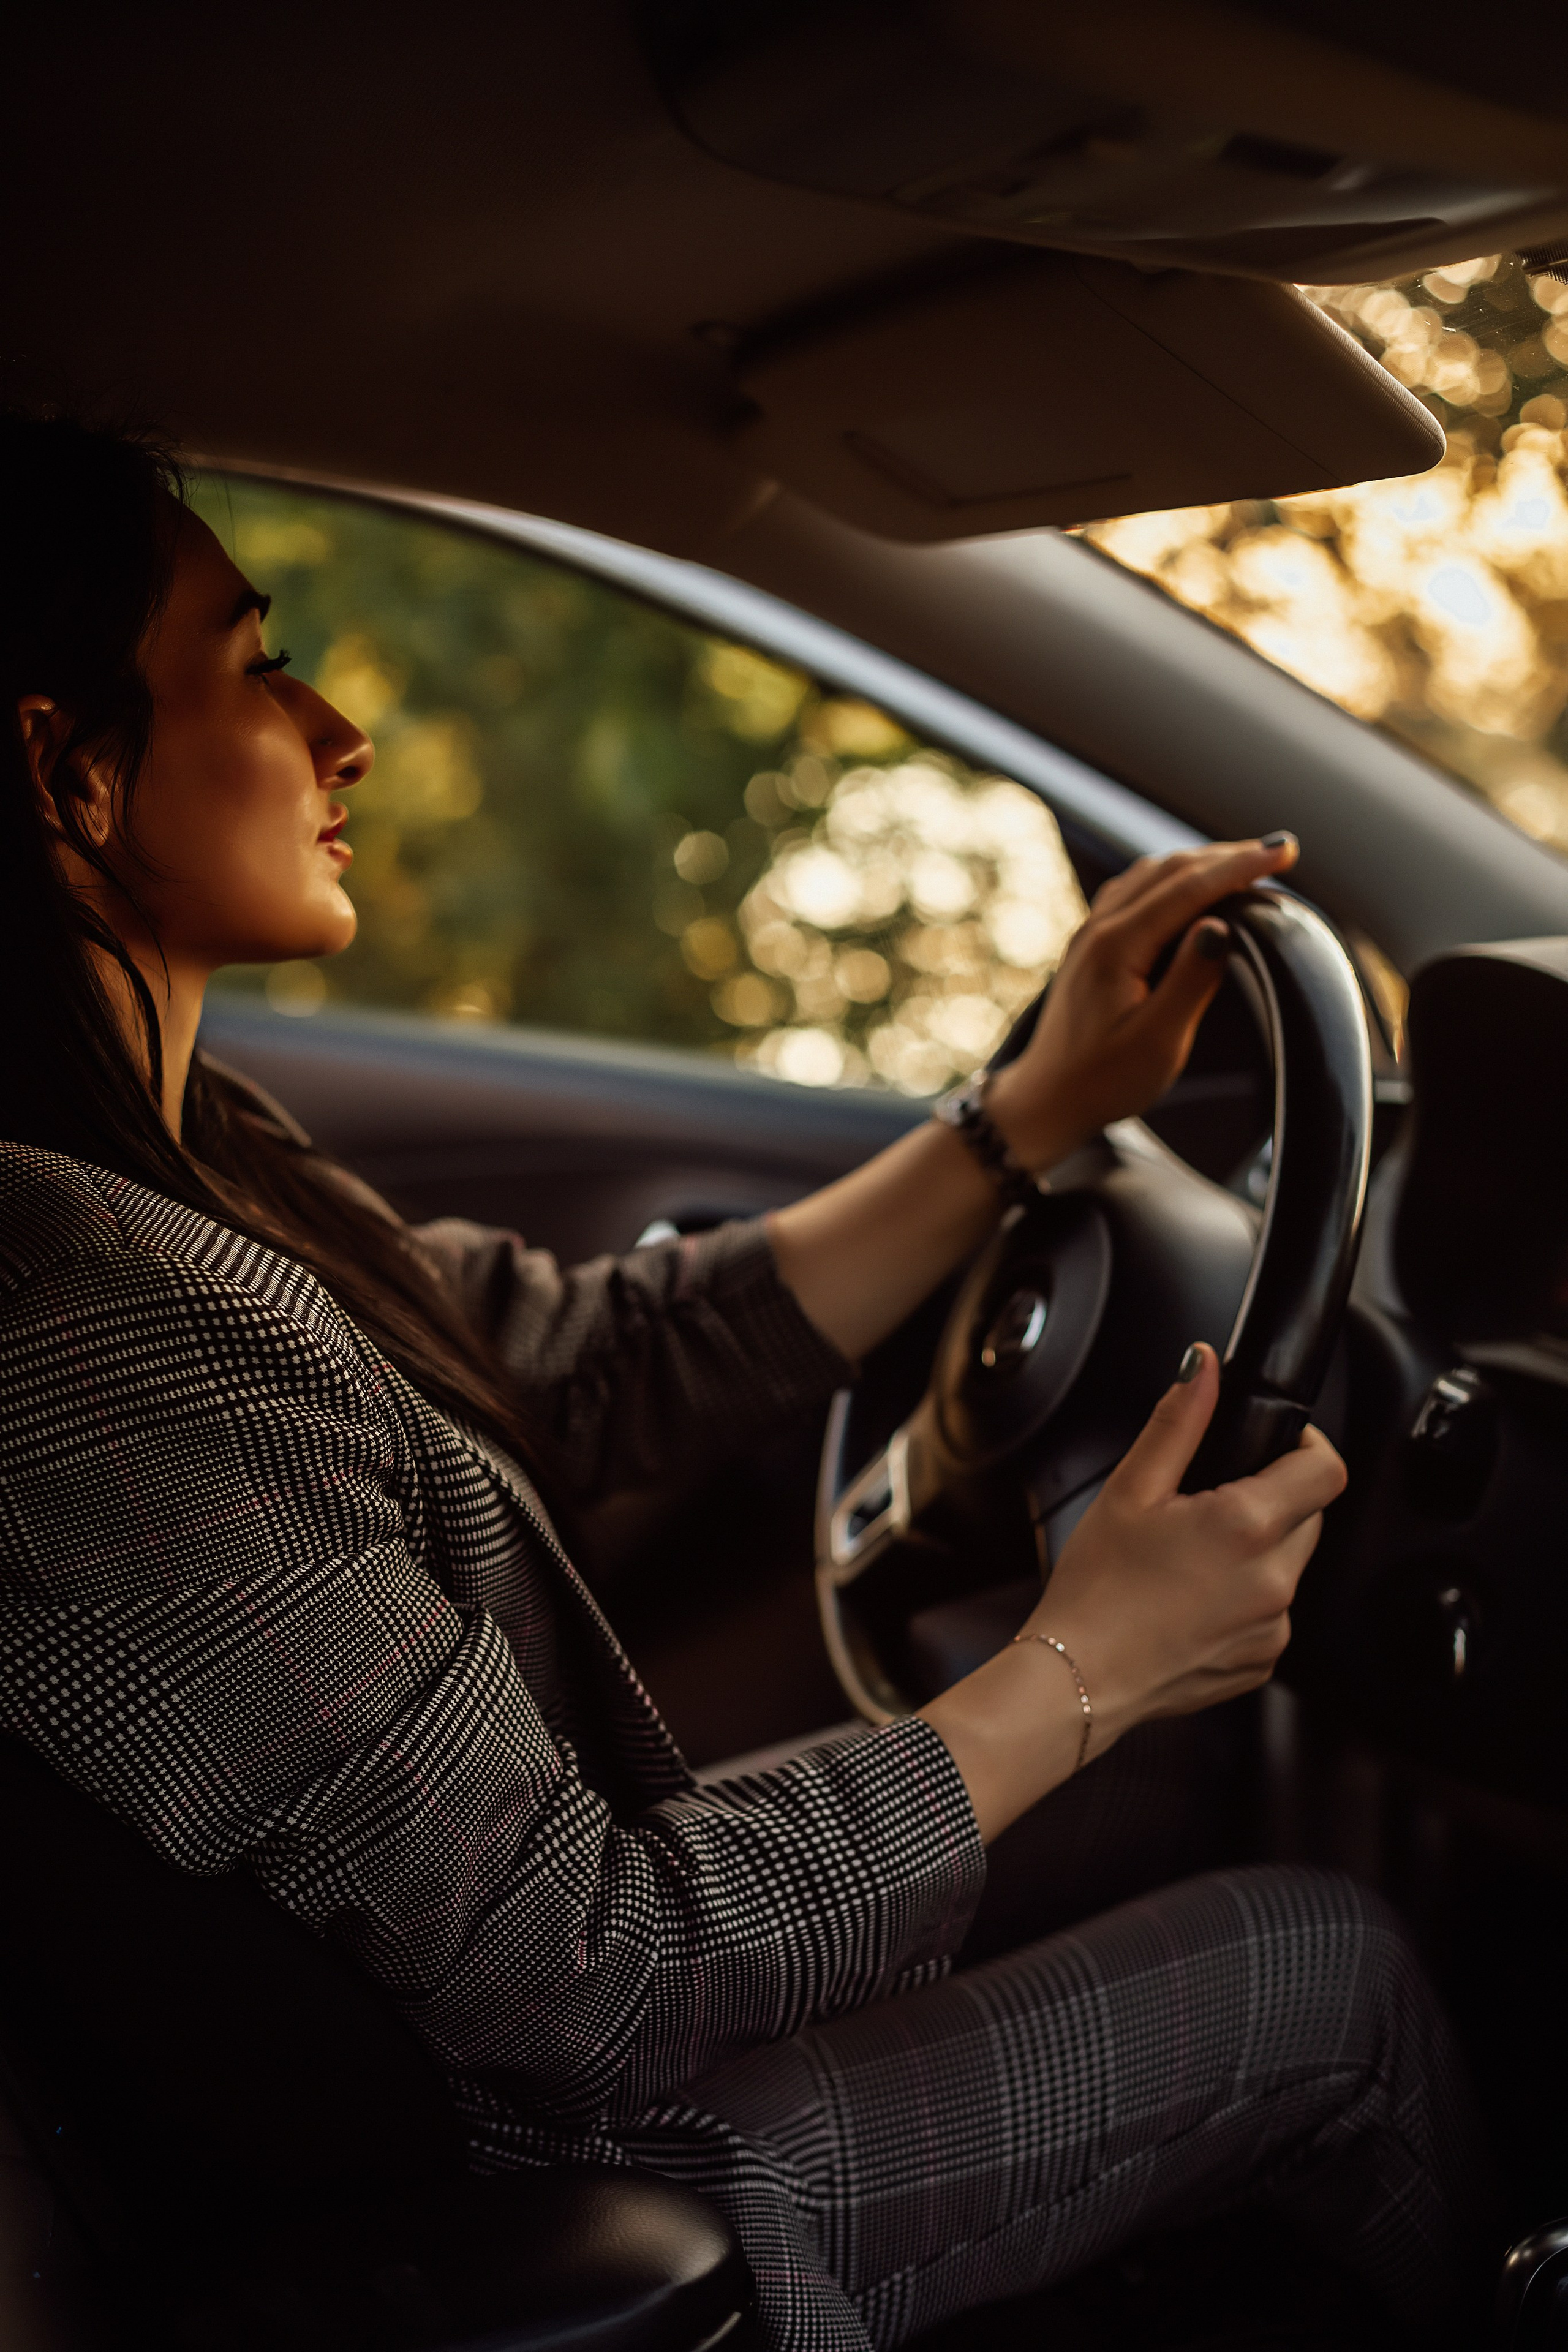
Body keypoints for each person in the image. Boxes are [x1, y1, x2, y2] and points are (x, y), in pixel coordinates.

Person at [0, 414, 1487, 2350]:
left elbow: (580, 1365)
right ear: (62, 771)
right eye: (254, 659)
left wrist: (1021, 1121)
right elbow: (594, 1987)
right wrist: (1086, 1661)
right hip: (532, 2198)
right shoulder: (77, 1316)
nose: (339, 725)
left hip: (514, 2062)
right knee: (1330, 1968)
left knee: (1159, 1810)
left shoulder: (189, 1157)